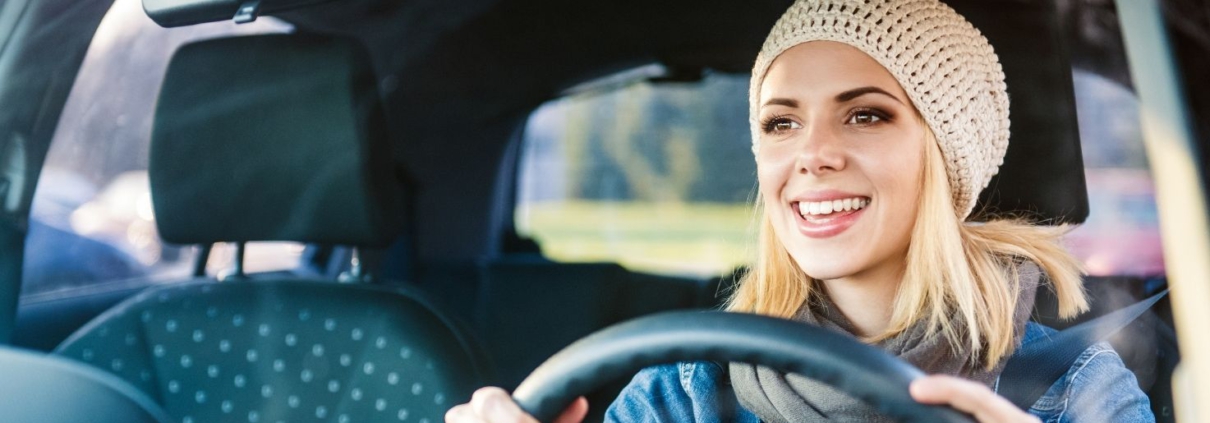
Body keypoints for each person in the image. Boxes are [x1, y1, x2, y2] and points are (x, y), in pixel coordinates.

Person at [446, 0, 1156, 421]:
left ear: (946, 156)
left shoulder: (1072, 389)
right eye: (782, 124)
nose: (811, 154)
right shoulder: (685, 393)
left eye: (867, 116)